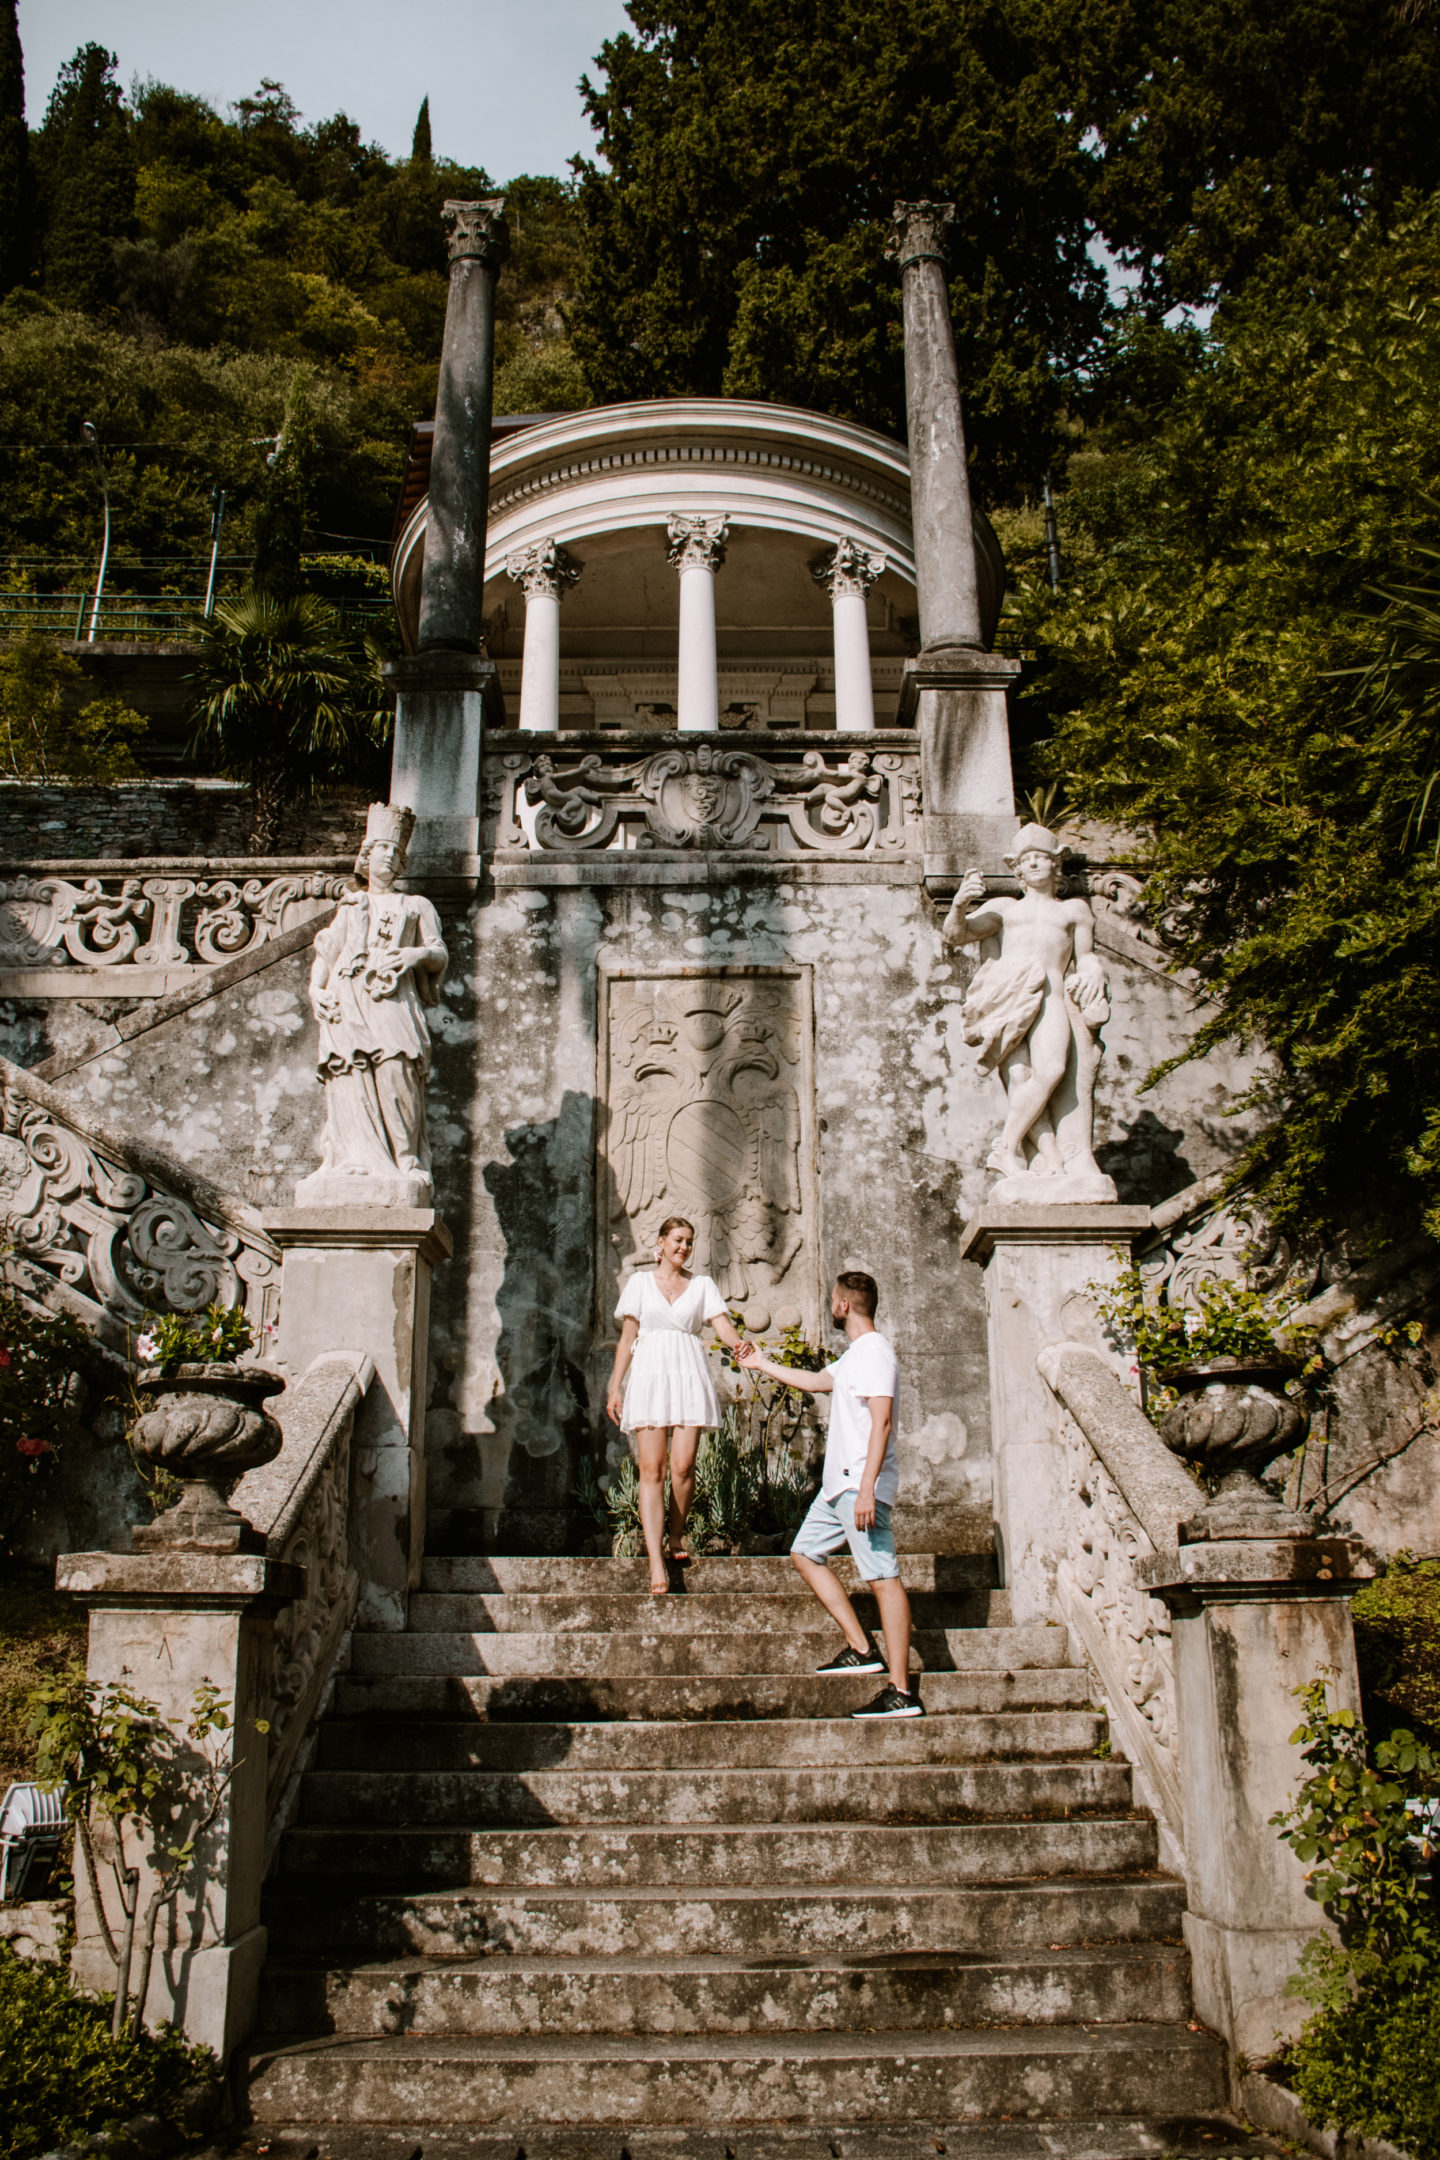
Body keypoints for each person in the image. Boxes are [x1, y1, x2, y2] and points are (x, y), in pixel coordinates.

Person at [737, 1270, 921, 1719]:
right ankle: (861, 1648)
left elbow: (882, 1423)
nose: (830, 1305)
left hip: (860, 1485)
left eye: (833, 1299)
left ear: (844, 1306)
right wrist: (761, 1364)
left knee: (882, 1577)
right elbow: (820, 1381)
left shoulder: (876, 1352)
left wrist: (865, 1491)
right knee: (805, 1553)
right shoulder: (857, 1355)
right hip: (838, 1485)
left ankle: (901, 1691)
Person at [941, 821, 1110, 1190]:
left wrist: (1094, 974)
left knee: (1050, 1071)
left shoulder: (1075, 911)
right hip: (1009, 997)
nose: (1033, 864)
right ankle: (1048, 1159)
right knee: (1019, 1078)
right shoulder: (1004, 909)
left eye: (1041, 858)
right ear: (1017, 869)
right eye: (1026, 859)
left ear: (1055, 865)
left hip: (1051, 996)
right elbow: (955, 936)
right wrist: (959, 903)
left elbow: (1087, 956)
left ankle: (1007, 1146)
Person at [606, 1216, 744, 1594]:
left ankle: (676, 1536)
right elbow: (627, 1339)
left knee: (682, 1467)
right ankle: (656, 1563)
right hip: (649, 1374)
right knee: (652, 1469)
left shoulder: (702, 1285)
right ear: (661, 1243)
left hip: (687, 1374)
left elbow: (723, 1325)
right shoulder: (639, 1283)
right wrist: (615, 1386)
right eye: (678, 1240)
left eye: (689, 1242)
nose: (684, 1247)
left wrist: (741, 1347)